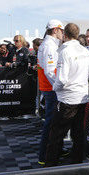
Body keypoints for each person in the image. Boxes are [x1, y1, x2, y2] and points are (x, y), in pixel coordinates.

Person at [45, 23, 89, 167]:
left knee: (56, 134)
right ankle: (76, 163)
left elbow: (62, 79)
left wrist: (55, 88)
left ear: (65, 35)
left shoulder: (64, 52)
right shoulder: (85, 51)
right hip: (82, 97)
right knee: (78, 133)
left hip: (67, 99)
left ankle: (50, 165)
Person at [37, 19, 64, 165]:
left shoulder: (48, 44)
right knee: (51, 123)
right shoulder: (48, 45)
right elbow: (49, 71)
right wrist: (59, 87)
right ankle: (44, 156)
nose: (62, 33)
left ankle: (55, 150)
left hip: (49, 87)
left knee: (53, 122)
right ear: (55, 30)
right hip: (51, 88)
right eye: (61, 30)